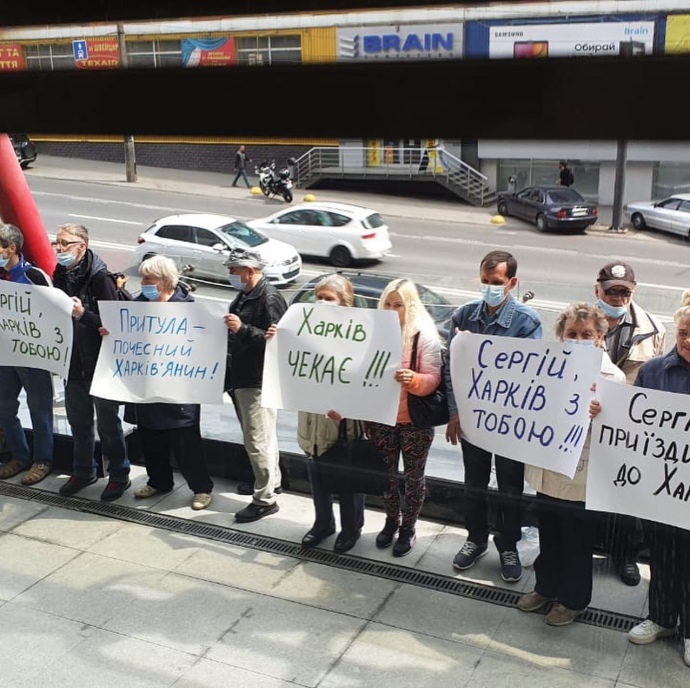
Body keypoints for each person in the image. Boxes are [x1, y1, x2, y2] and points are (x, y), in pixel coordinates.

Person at [518, 302, 626, 626]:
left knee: (576, 541)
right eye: (572, 333)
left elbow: (621, 434)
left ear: (600, 338)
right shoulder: (545, 367)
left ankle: (573, 600)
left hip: (582, 477)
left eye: (587, 334)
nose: (579, 340)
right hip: (549, 468)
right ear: (561, 336)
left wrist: (601, 415)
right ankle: (545, 587)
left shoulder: (613, 377)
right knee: (549, 533)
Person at [445, 250, 542, 583]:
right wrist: (454, 412)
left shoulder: (527, 321)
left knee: (510, 487)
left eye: (496, 282)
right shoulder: (464, 315)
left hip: (509, 421)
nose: (489, 287)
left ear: (512, 283)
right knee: (474, 483)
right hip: (473, 418)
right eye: (485, 281)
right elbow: (451, 369)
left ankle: (508, 544)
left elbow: (530, 373)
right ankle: (475, 538)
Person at [269, 274, 366, 553]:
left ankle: (351, 528)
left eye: (329, 298)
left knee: (347, 477)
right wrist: (277, 342)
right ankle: (323, 523)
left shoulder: (359, 337)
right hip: (311, 419)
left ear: (345, 303)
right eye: (318, 298)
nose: (322, 303)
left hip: (342, 422)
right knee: (317, 474)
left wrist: (349, 407)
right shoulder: (304, 331)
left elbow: (366, 382)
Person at [112, 256, 214, 510]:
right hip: (148, 385)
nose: (143, 283)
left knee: (186, 442)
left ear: (166, 281)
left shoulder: (187, 308)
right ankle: (159, 481)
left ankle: (201, 488)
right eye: (143, 278)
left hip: (179, 389)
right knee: (151, 438)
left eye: (149, 279)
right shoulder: (139, 305)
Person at [627, 289, 690, 669]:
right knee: (663, 554)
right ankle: (663, 618)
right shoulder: (652, 371)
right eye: (683, 332)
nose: (688, 340)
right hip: (662, 488)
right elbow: (632, 424)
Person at [594, 260, 666, 586]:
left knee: (627, 493)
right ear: (598, 290)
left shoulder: (654, 329)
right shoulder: (580, 320)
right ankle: (588, 547)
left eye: (625, 292)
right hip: (587, 422)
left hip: (629, 428)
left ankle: (626, 556)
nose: (618, 298)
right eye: (612, 292)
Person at [51, 222, 131, 501]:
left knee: (108, 426)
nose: (59, 248)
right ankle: (84, 471)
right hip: (73, 362)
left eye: (65, 243)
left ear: (82, 247)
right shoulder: (60, 273)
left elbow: (114, 324)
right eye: (57, 242)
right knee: (78, 422)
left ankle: (119, 475)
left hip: (101, 365)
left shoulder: (101, 278)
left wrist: (82, 314)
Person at [368, 278, 442, 557]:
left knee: (413, 478)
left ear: (410, 305)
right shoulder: (373, 333)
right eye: (387, 304)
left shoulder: (424, 336)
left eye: (398, 304)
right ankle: (391, 521)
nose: (391, 309)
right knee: (385, 477)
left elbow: (433, 379)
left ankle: (408, 527)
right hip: (382, 420)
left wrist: (414, 380)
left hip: (414, 423)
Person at [223, 247, 287, 523]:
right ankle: (271, 482)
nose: (230, 275)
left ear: (249, 271)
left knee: (257, 438)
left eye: (234, 270)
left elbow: (279, 342)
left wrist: (242, 329)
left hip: (257, 378)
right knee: (263, 435)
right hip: (242, 375)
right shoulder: (246, 295)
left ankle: (264, 499)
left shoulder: (268, 297)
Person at [0, 222, 55, 486]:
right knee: (4, 407)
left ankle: (43, 460)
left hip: (33, 356)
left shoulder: (35, 276)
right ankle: (19, 455)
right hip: (4, 355)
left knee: (39, 409)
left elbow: (54, 311)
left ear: (10, 248)